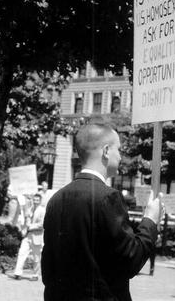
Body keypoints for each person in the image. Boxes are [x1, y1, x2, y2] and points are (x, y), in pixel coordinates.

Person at [41, 123, 162, 301]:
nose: (121, 157)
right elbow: (130, 261)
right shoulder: (108, 198)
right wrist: (150, 221)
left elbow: (48, 268)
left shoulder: (55, 199)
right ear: (106, 151)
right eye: (119, 150)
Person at [9, 193, 45, 281]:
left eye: (37, 200)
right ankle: (18, 273)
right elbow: (27, 219)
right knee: (22, 253)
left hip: (37, 236)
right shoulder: (30, 209)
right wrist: (25, 227)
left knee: (36, 258)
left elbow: (42, 224)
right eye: (34, 200)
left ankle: (35, 275)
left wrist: (30, 226)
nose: (35, 202)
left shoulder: (42, 210)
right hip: (28, 235)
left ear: (40, 201)